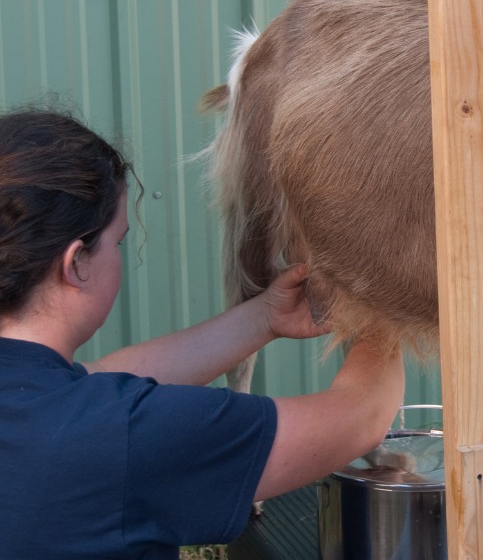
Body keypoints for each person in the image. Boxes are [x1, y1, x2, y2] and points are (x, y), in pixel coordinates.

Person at [0, 106, 405, 558]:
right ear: (76, 263)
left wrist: (263, 319)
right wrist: (377, 311)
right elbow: (361, 418)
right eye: (116, 242)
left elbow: (96, 380)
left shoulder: (43, 400)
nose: (121, 257)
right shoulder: (124, 435)